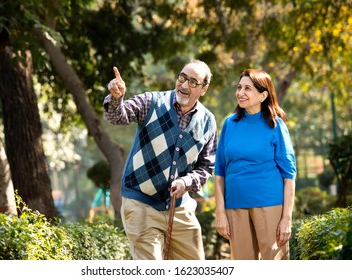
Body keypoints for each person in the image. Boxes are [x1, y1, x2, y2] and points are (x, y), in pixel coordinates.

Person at [104, 59, 217, 260]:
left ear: (204, 89)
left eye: (193, 82)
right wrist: (116, 98)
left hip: (180, 208)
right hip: (141, 204)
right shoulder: (151, 102)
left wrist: (186, 182)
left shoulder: (208, 121)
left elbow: (206, 166)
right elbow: (117, 116)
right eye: (182, 77)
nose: (183, 85)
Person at [214, 69, 297, 260]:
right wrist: (220, 213)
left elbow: (289, 174)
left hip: (270, 205)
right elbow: (220, 171)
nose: (240, 93)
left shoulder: (275, 125)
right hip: (235, 206)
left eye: (248, 89)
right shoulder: (229, 123)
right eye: (239, 87)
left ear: (263, 95)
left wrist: (286, 219)